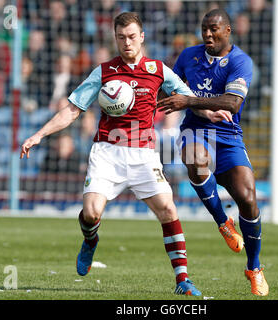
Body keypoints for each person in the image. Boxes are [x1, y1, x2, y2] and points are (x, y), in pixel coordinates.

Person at [20, 12, 216, 296]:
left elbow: (188, 98)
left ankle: (183, 279)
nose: (127, 43)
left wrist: (212, 110)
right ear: (115, 38)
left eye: (133, 37)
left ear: (142, 37)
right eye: (122, 37)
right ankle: (90, 240)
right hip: (107, 153)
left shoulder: (158, 70)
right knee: (91, 213)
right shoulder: (103, 72)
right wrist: (39, 134)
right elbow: (73, 110)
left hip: (144, 154)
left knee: (168, 209)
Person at [157, 9, 269, 296]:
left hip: (229, 136)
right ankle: (223, 222)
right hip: (196, 130)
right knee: (195, 159)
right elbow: (173, 94)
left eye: (214, 29)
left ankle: (254, 267)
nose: (208, 34)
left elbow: (232, 103)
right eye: (204, 29)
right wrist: (196, 107)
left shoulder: (241, 61)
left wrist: (190, 100)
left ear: (228, 31)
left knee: (248, 197)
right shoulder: (188, 57)